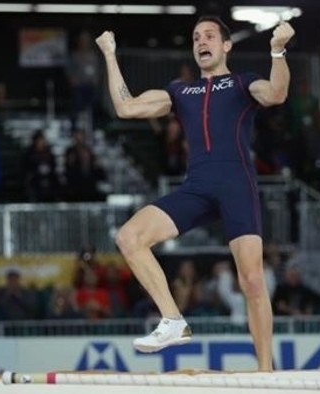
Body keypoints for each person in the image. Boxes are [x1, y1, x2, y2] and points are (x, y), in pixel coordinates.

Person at [95, 16, 294, 371]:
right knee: (129, 237)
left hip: (236, 185)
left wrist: (277, 52)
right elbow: (127, 107)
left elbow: (277, 93)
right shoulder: (180, 91)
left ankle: (267, 373)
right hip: (197, 188)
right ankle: (172, 320)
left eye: (209, 36)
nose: (201, 41)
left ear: (226, 45)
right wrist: (110, 55)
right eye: (196, 37)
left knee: (251, 280)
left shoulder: (241, 83)